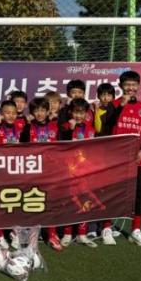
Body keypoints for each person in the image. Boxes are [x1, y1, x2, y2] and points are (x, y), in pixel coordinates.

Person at [112, 71, 141, 247]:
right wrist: (120, 106)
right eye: (127, 84)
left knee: (138, 194)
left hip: (136, 160)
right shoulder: (114, 104)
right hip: (115, 159)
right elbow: (107, 124)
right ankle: (106, 228)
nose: (130, 88)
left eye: (133, 84)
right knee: (111, 192)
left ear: (138, 86)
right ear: (121, 86)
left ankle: (135, 230)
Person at [21, 97, 61, 251]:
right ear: (32, 112)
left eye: (42, 110)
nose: (39, 114)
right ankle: (32, 235)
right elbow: (22, 144)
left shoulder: (55, 126)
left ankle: (52, 234)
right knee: (33, 202)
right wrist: (27, 125)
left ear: (47, 111)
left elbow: (63, 146)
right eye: (36, 111)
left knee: (51, 203)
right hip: (32, 172)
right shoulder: (28, 127)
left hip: (51, 172)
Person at [59, 98, 98, 248]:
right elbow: (63, 144)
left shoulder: (90, 128)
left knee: (85, 200)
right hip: (68, 172)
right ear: (70, 112)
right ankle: (67, 233)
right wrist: (70, 129)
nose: (79, 116)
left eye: (82, 113)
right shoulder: (65, 126)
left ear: (86, 114)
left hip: (85, 173)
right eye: (76, 112)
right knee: (70, 201)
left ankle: (82, 233)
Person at [0, 100, 26, 248]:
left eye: (13, 113)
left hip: (15, 172)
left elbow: (27, 144)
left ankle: (15, 233)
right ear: (1, 114)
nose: (10, 116)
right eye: (7, 113)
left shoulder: (20, 127)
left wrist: (28, 125)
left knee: (15, 203)